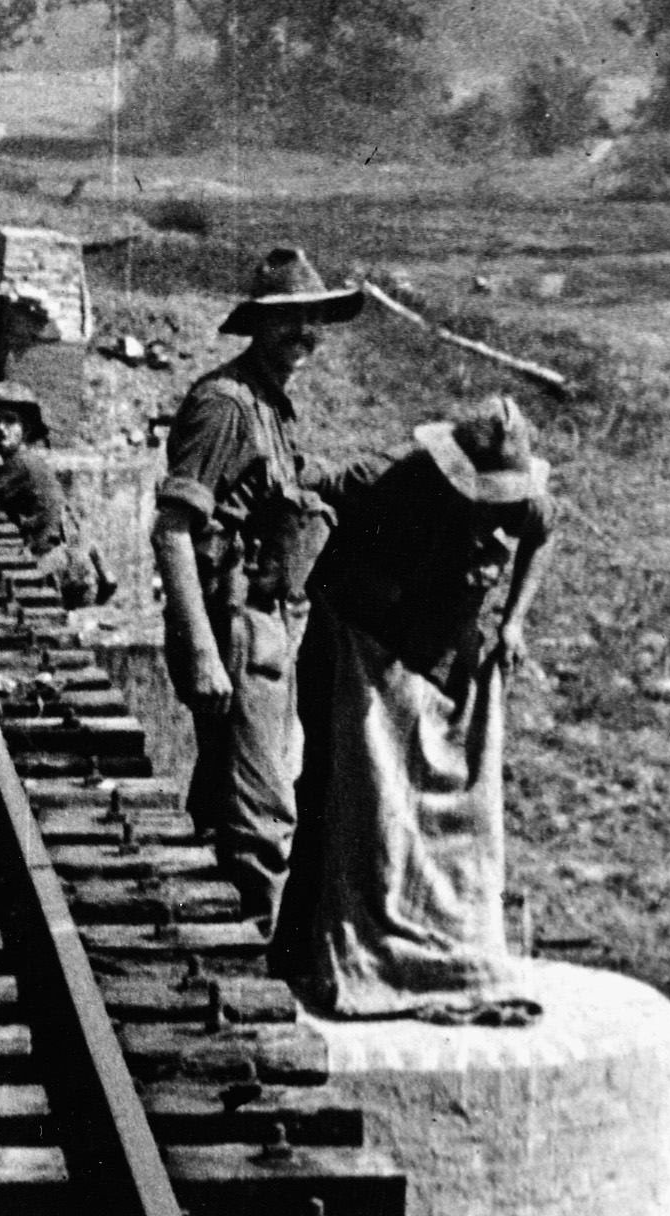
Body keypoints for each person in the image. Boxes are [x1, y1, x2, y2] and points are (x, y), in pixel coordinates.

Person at [271, 397, 552, 1016]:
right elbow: (307, 486)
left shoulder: (522, 498)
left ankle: (432, 942)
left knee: (439, 797)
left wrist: (515, 621)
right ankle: (301, 951)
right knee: (337, 791)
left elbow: (541, 536)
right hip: (358, 639)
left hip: (441, 646)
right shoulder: (388, 480)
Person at [150, 248, 364, 936]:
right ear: (257, 325)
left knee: (225, 806)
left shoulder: (272, 405)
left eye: (312, 320)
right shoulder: (227, 407)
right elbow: (172, 530)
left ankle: (208, 955)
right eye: (288, 320)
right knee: (262, 823)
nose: (304, 333)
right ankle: (244, 970)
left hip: (270, 623)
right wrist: (204, 653)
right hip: (238, 630)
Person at [0, 382, 112, 609]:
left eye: (9, 420)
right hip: (63, 565)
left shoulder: (23, 464)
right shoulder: (28, 462)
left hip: (49, 568)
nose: (0, 428)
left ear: (25, 428)